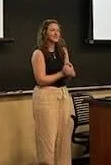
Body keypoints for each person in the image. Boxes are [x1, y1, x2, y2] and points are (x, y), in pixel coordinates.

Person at [30, 19, 76, 165]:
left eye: (58, 30)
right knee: (47, 140)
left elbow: (70, 71)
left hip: (62, 95)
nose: (56, 33)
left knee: (64, 139)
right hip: (45, 97)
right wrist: (62, 73)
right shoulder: (39, 53)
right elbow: (41, 79)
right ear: (45, 33)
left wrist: (69, 72)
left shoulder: (63, 51)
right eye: (52, 30)